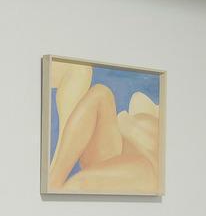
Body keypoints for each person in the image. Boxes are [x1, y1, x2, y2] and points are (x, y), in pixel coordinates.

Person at [45, 63, 161, 194]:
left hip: (147, 166)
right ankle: (53, 181)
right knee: (100, 93)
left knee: (79, 184)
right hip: (120, 149)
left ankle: (52, 188)